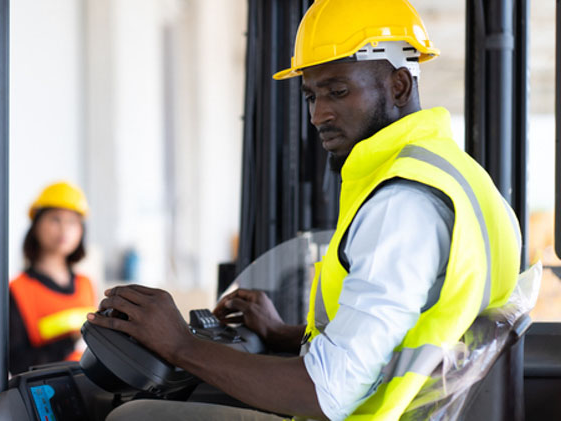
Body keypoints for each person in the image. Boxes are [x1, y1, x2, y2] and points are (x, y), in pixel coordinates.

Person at [88, 0, 522, 419]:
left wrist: (180, 345)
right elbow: (406, 339)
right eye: (312, 96)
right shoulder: (454, 176)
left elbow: (326, 393)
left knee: (133, 415)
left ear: (399, 86)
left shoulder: (402, 204)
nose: (319, 115)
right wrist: (282, 335)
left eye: (338, 91)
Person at [9, 181, 97, 375]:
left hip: (92, 388)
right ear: (36, 225)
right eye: (55, 219)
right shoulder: (17, 289)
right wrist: (71, 340)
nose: (64, 228)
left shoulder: (86, 284)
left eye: (73, 221)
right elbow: (17, 364)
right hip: (45, 393)